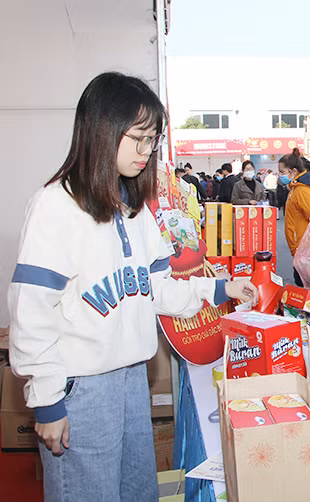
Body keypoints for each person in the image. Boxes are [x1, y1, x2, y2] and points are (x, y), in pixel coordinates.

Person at [7, 72, 256, 502]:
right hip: (80, 387)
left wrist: (218, 290)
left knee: (136, 492)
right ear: (101, 130)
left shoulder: (134, 210)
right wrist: (46, 399)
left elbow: (156, 288)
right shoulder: (55, 206)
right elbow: (31, 312)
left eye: (152, 141)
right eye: (138, 138)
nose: (146, 153)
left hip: (130, 380)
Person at [280, 148, 310, 286]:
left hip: (304, 248)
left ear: (293, 171)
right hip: (300, 248)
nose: (279, 175)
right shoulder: (295, 189)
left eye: (282, 172)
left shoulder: (301, 192)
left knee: (305, 288)